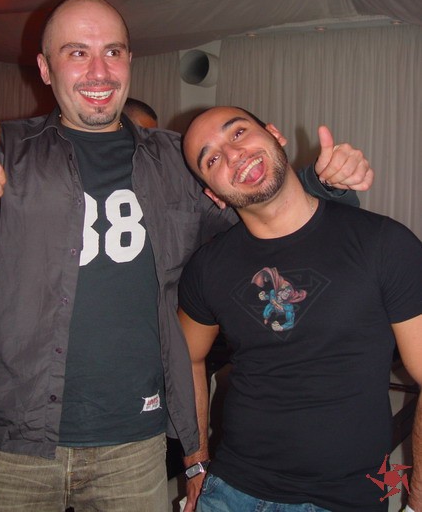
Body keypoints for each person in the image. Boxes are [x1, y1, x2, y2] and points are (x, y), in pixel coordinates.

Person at [0, 0, 373, 512]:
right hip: (13, 439)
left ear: (129, 61)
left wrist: (328, 183)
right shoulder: (4, 152)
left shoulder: (178, 160)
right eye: (77, 53)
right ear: (46, 69)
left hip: (135, 439)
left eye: (113, 52)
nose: (99, 71)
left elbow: (265, 218)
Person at [178, 106, 422, 512]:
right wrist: (195, 462)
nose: (234, 155)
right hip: (230, 490)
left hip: (345, 498)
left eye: (238, 133)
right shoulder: (207, 267)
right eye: (212, 159)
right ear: (213, 194)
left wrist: (417, 501)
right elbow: (186, 357)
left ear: (275, 135)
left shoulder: (384, 243)